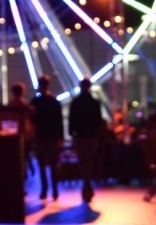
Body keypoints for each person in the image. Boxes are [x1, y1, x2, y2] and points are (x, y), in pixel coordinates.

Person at [68, 75, 103, 204]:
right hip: (91, 136)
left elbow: (72, 120)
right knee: (90, 160)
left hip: (80, 136)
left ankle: (86, 184)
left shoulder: (75, 102)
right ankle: (88, 184)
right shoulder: (94, 103)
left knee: (82, 161)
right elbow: (98, 121)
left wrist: (72, 133)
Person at [31, 74, 64, 201]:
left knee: (42, 165)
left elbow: (32, 120)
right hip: (52, 137)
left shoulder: (35, 102)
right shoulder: (54, 102)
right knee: (53, 165)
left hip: (40, 136)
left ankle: (44, 190)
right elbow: (59, 121)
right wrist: (60, 137)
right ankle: (55, 190)